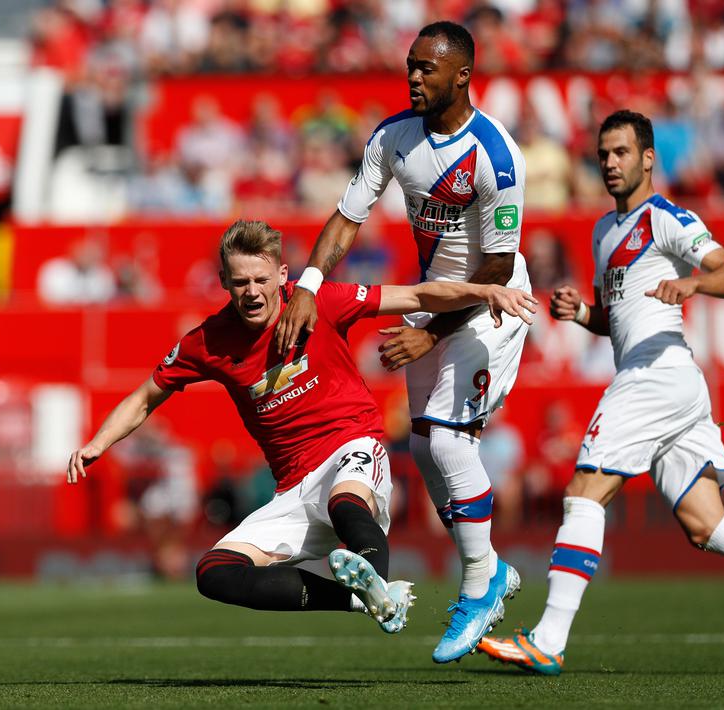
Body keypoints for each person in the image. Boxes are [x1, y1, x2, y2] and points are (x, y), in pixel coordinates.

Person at [477, 110, 724, 676]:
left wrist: (693, 281)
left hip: (657, 374)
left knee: (583, 491)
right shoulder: (603, 230)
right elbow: (619, 319)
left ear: (648, 158)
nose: (610, 164)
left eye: (621, 152)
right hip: (666, 381)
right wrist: (585, 314)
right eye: (603, 154)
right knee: (708, 527)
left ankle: (549, 637)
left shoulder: (667, 218)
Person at [67, 219, 536, 633]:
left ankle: (375, 571)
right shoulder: (208, 341)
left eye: (260, 279)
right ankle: (360, 596)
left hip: (353, 446)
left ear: (283, 277)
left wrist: (484, 291)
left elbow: (414, 295)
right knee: (214, 571)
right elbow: (148, 394)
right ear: (223, 283)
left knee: (345, 502)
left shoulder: (322, 302)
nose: (252, 291)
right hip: (292, 488)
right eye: (240, 282)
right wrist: (97, 443)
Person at [274, 20, 530, 664]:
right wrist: (307, 283)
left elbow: (496, 271)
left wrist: (428, 336)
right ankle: (492, 567)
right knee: (422, 448)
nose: (413, 77)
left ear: (463, 74)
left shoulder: (497, 157)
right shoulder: (393, 137)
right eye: (410, 66)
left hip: (490, 306)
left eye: (427, 68)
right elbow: (347, 217)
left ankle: (479, 584)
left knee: (447, 437)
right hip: (432, 299)